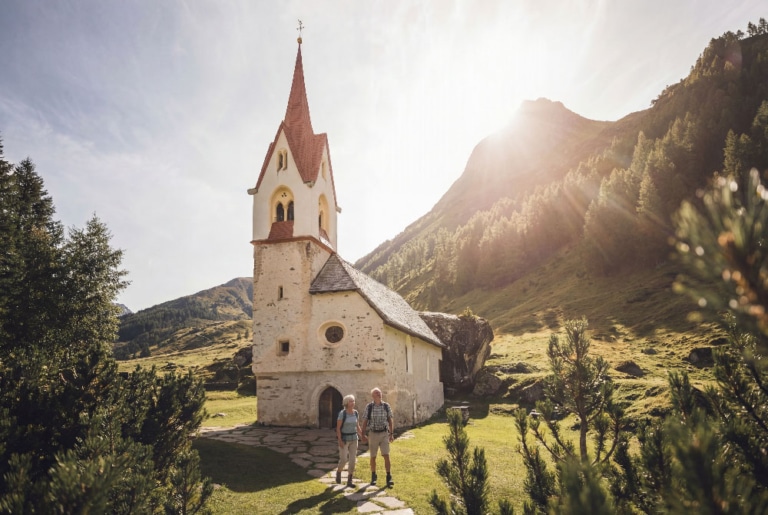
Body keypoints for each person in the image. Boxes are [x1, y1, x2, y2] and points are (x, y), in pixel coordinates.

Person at [360, 387, 394, 487]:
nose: (379, 394)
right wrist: (363, 434)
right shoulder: (369, 407)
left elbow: (390, 420)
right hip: (373, 434)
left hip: (384, 433)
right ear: (373, 396)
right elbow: (365, 421)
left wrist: (391, 434)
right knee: (373, 456)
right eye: (377, 393)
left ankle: (389, 477)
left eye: (380, 393)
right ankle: (373, 476)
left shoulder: (386, 406)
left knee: (386, 455)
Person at [336, 394, 363, 488]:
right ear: (346, 403)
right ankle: (339, 472)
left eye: (353, 401)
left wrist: (362, 435)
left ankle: (349, 480)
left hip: (354, 439)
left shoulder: (355, 413)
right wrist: (339, 440)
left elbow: (357, 426)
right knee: (343, 460)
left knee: (352, 460)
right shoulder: (342, 414)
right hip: (344, 439)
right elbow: (338, 428)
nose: (353, 403)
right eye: (351, 401)